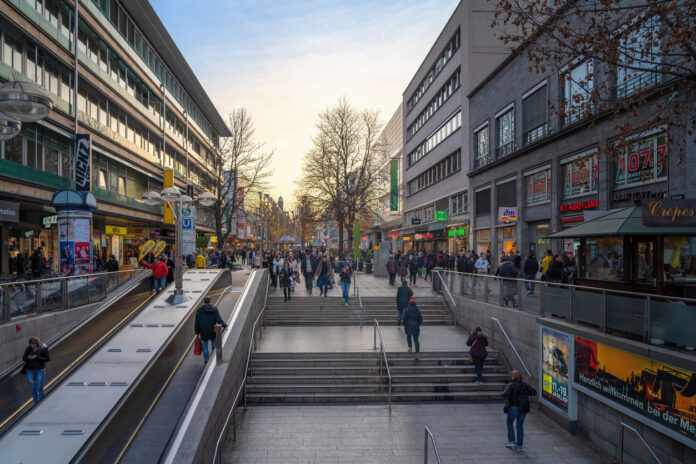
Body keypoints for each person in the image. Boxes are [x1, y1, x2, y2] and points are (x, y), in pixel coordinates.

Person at [502, 370, 537, 453]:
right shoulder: (524, 385)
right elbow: (534, 392)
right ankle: (519, 446)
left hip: (514, 407)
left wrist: (503, 393)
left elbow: (504, 394)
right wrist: (525, 393)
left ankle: (511, 441)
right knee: (520, 426)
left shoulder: (511, 386)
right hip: (523, 408)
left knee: (509, 423)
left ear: (513, 377)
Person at [194, 297, 227, 363]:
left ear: (204, 302)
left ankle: (206, 360)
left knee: (205, 345)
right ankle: (213, 357)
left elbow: (197, 322)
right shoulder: (214, 309)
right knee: (214, 343)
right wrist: (225, 325)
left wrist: (197, 331)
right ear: (210, 301)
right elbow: (219, 320)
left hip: (203, 331)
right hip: (212, 330)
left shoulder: (199, 310)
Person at [22, 336, 49, 404]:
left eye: (34, 344)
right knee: (33, 388)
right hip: (30, 370)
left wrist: (37, 357)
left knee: (40, 387)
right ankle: (36, 403)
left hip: (40, 370)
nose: (32, 346)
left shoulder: (43, 349)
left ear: (37, 344)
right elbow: (24, 358)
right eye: (31, 344)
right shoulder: (28, 349)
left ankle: (42, 402)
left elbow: (47, 359)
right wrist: (28, 357)